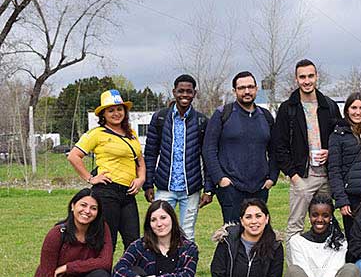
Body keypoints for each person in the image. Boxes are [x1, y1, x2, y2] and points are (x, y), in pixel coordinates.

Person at [274, 59, 341, 246]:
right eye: (302, 77)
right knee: (295, 225)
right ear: (296, 79)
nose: (307, 81)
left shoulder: (329, 105)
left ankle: (325, 267)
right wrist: (294, 177)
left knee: (326, 223)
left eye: (310, 76)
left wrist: (330, 153)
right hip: (302, 176)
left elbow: (340, 138)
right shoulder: (288, 108)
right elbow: (279, 146)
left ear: (316, 77)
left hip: (326, 174)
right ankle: (295, 272)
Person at [67, 89, 145, 252]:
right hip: (107, 192)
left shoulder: (131, 134)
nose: (116, 113)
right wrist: (90, 178)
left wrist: (141, 179)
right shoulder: (97, 133)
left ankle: (131, 276)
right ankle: (101, 276)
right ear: (103, 114)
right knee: (108, 241)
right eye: (111, 110)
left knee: (134, 242)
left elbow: (139, 160)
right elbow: (74, 156)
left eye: (119, 109)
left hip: (128, 193)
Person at [144, 74, 213, 241]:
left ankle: (186, 267)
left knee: (187, 234)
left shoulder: (201, 121)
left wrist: (209, 189)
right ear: (174, 92)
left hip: (191, 189)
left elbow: (208, 157)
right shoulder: (160, 118)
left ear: (194, 94)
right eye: (181, 91)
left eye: (189, 91)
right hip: (164, 187)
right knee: (159, 231)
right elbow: (151, 153)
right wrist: (148, 183)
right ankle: (161, 266)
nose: (185, 95)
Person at [203, 71, 278, 224]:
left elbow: (275, 150)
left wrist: (272, 178)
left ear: (256, 89)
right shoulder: (222, 114)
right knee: (233, 235)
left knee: (259, 233)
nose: (247, 91)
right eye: (241, 88)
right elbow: (209, 149)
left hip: (260, 188)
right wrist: (220, 179)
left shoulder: (266, 116)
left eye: (250, 87)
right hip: (231, 188)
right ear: (234, 91)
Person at [328, 92, 361, 244]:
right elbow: (334, 170)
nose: (358, 112)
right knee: (354, 240)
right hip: (352, 199)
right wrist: (341, 200)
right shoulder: (338, 135)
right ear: (347, 110)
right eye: (354, 108)